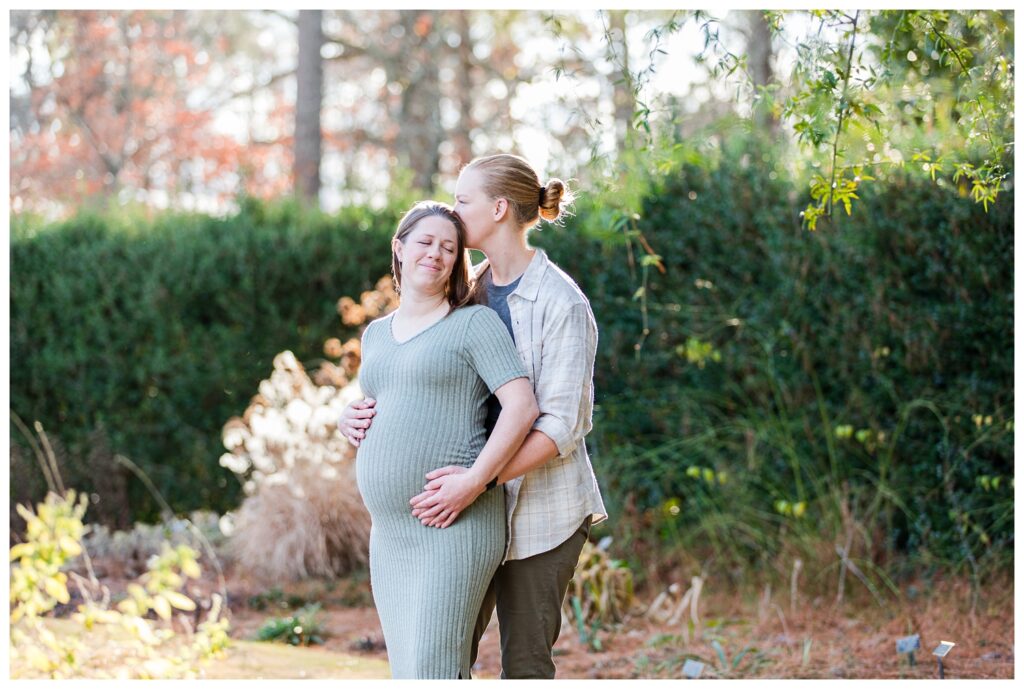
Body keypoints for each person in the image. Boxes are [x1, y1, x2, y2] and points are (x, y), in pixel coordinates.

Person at [342, 155, 607, 679]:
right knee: (444, 659)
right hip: (455, 513)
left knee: (525, 666)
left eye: (463, 201)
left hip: (539, 511)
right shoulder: (469, 290)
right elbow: (418, 371)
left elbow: (560, 427)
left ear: (499, 208)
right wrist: (354, 414)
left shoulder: (559, 301)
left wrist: (476, 482)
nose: (454, 213)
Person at [353, 200, 538, 679]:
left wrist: (476, 481)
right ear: (399, 248)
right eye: (425, 242)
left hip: (454, 524)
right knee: (409, 671)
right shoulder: (375, 336)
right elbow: (384, 403)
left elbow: (522, 407)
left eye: (449, 248)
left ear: (459, 262)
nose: (435, 253)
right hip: (390, 535)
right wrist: (346, 419)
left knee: (435, 668)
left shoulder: (473, 324)